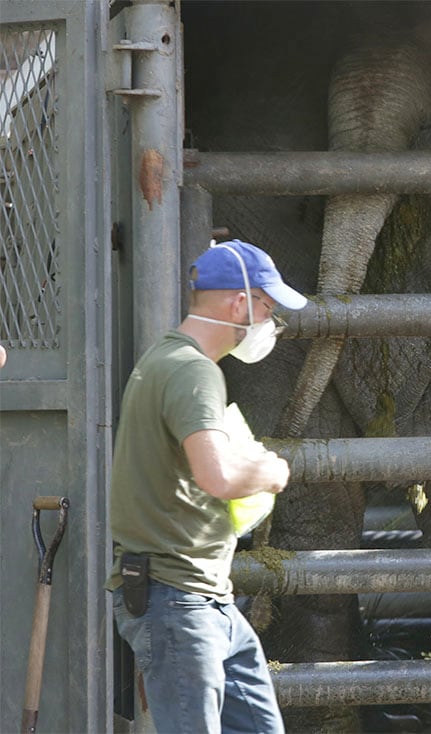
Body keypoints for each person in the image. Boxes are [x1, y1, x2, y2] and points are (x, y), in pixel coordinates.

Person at [106, 239, 307, 734]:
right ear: (240, 302)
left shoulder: (168, 359)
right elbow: (215, 476)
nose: (269, 321)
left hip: (206, 597)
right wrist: (271, 471)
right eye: (267, 306)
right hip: (178, 601)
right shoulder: (193, 372)